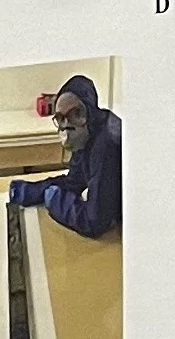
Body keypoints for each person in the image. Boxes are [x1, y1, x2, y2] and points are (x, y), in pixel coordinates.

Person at [9, 74, 121, 239]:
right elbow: (74, 181)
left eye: (76, 114)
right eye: (61, 118)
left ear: (89, 111)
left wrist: (56, 202)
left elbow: (94, 222)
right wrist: (32, 191)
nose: (67, 125)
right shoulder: (88, 136)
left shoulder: (105, 146)